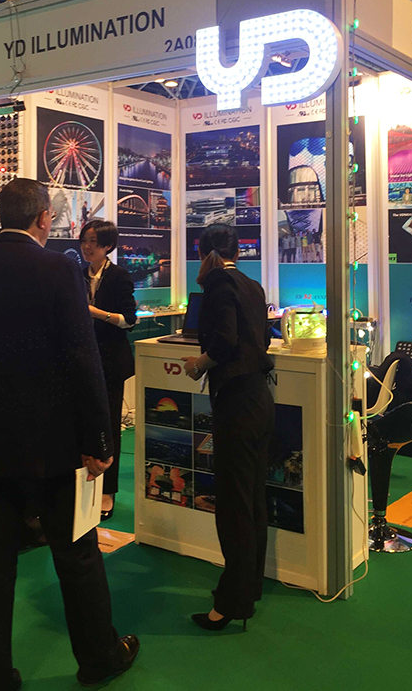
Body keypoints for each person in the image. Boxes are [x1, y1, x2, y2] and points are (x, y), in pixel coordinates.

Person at [0, 179, 139, 691]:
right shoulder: (58, 269)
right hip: (54, 442)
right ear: (44, 218)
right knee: (76, 553)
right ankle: (99, 658)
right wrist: (98, 440)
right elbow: (81, 356)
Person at [182, 223, 274, 633]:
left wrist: (197, 365)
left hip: (236, 403)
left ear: (204, 252)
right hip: (259, 400)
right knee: (253, 500)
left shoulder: (218, 285)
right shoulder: (252, 285)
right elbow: (260, 341)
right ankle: (247, 589)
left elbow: (224, 341)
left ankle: (230, 603)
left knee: (234, 507)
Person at [80, 220, 137, 520]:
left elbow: (130, 320)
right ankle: (82, 487)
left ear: (108, 246)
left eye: (93, 241)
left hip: (111, 362)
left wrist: (97, 314)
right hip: (82, 362)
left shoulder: (119, 276)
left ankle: (108, 491)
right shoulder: (78, 275)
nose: (87, 247)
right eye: (84, 240)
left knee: (110, 425)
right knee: (81, 424)